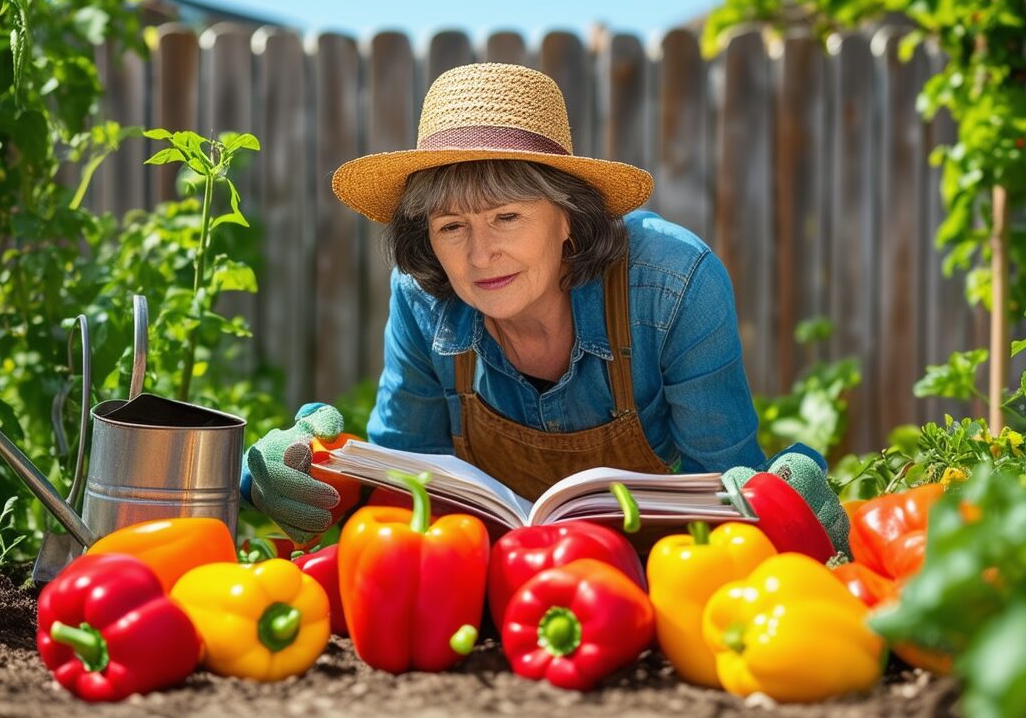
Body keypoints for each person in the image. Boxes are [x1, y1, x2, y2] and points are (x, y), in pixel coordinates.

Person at [243, 62, 780, 543]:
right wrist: (316, 465)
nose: (481, 255)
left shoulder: (674, 282)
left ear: (568, 216)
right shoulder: (422, 296)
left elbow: (729, 493)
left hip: (657, 582)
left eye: (506, 217)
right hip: (494, 590)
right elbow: (403, 487)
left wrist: (782, 495)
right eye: (452, 226)